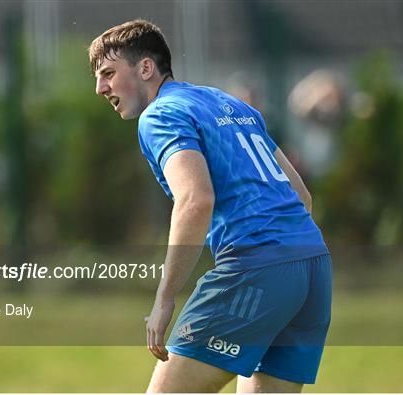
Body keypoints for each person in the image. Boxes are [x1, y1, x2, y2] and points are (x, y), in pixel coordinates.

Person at [88, 19, 332, 393]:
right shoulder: (228, 103)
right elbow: (302, 197)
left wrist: (164, 299)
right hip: (314, 268)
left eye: (108, 73)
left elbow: (195, 200)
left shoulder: (160, 115)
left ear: (146, 68)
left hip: (255, 268)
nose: (100, 87)